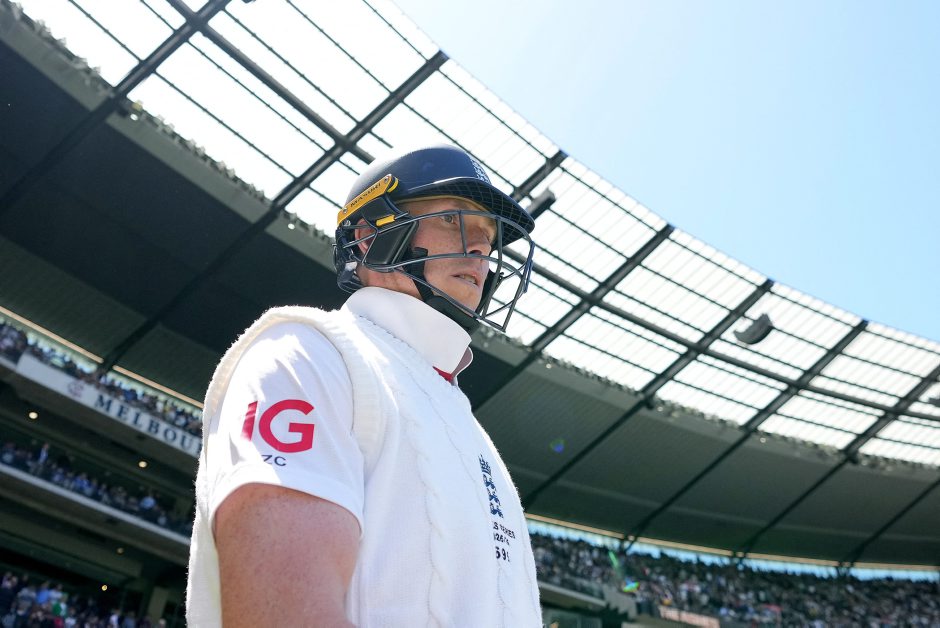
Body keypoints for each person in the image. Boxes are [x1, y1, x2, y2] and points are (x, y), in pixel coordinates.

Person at [187, 144, 542, 626]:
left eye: (490, 235)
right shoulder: (308, 354)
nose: (481, 248)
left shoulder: (468, 424)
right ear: (370, 235)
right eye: (453, 219)